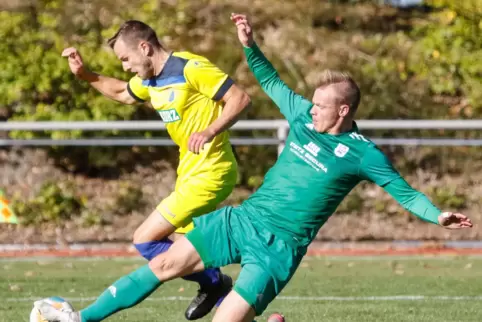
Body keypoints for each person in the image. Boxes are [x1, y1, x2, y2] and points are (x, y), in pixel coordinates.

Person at [37, 13, 473, 322]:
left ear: (342, 111)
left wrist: (437, 214)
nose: (309, 109)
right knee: (164, 264)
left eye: (320, 106)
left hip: (280, 248)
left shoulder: (363, 153)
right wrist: (250, 45)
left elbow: (404, 191)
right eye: (312, 103)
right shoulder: (303, 115)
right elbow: (269, 83)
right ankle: (82, 318)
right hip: (243, 219)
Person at [60, 20, 251, 320]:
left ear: (145, 48)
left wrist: (211, 130)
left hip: (212, 172)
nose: (125, 67)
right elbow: (123, 92)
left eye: (125, 59)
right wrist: (85, 75)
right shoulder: (150, 81)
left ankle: (215, 283)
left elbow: (239, 98)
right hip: (189, 173)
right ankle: (225, 294)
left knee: (146, 239)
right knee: (188, 251)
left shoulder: (190, 68)